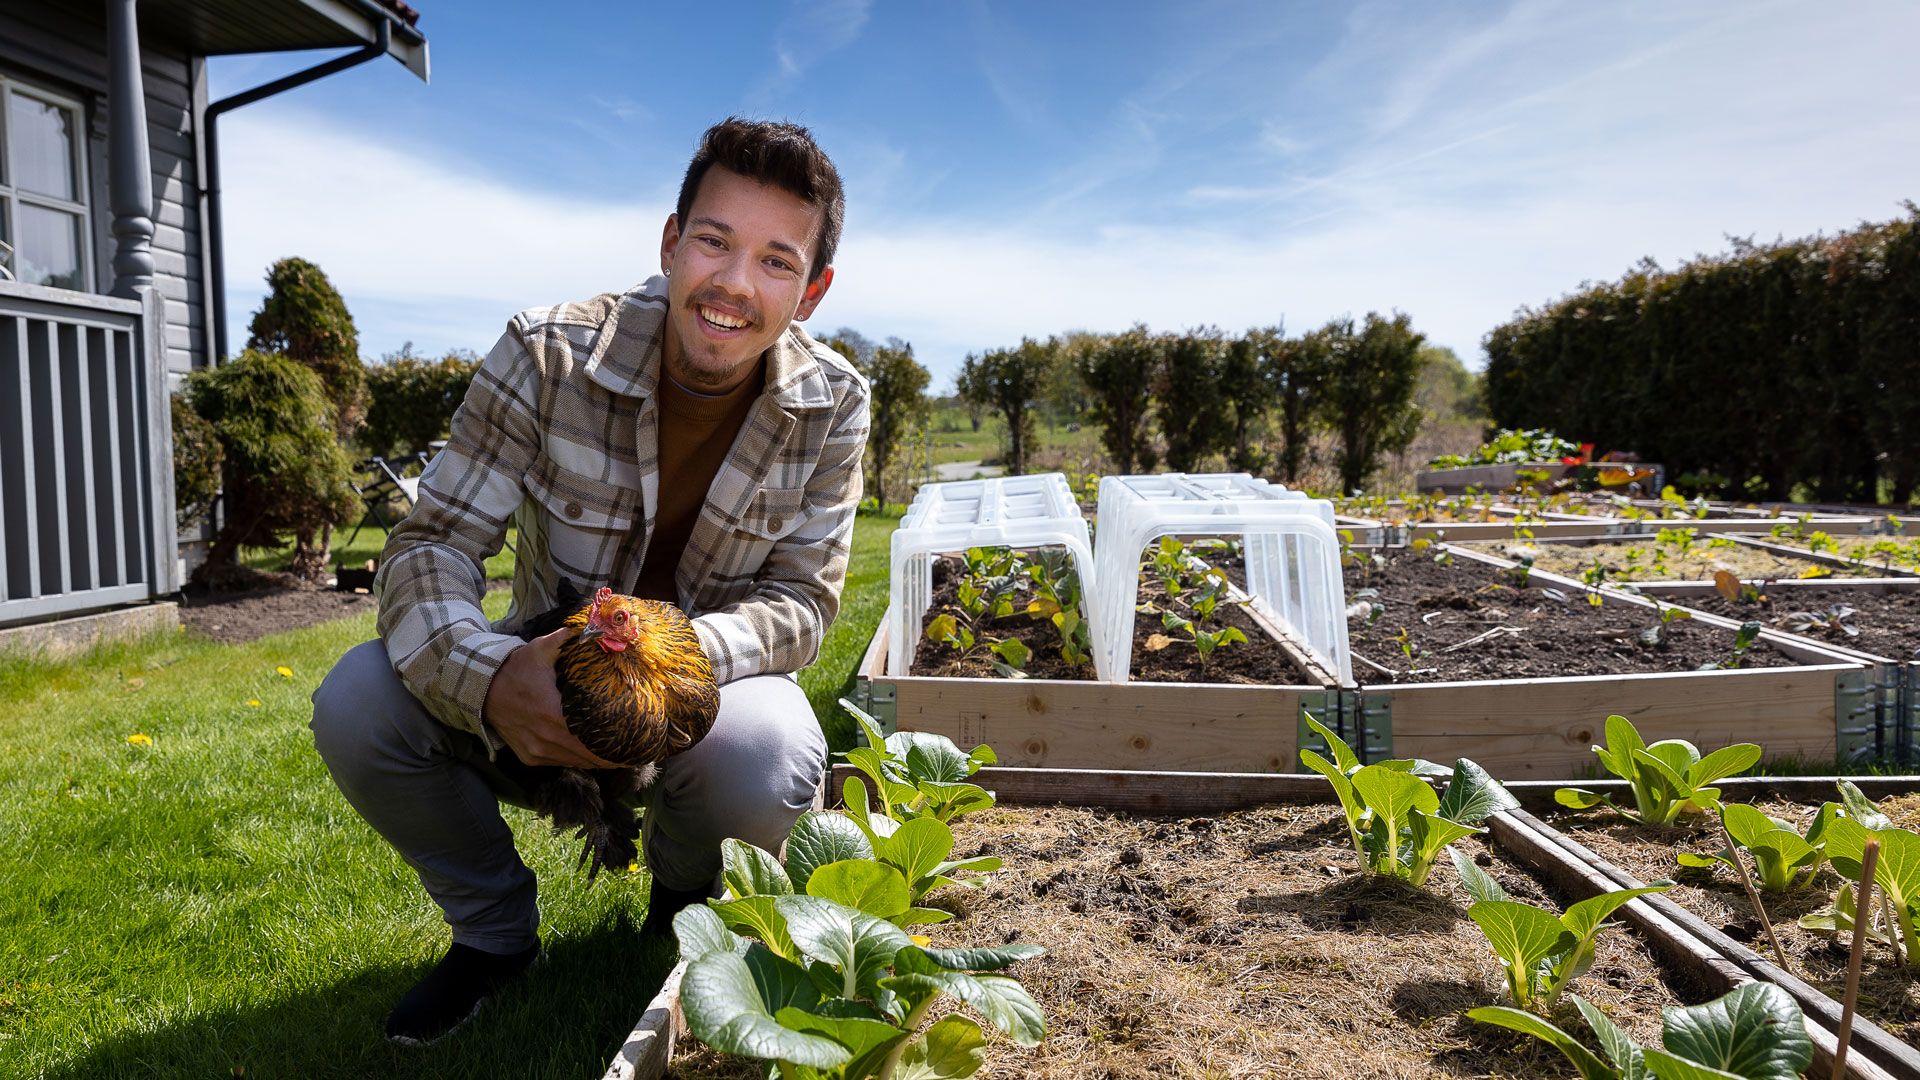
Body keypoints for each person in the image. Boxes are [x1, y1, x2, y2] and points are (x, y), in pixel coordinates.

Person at [308, 117, 869, 1045]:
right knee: (357, 701)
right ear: (670, 243)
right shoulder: (547, 353)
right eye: (714, 242)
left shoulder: (834, 406)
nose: (734, 285)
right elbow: (432, 545)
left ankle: (681, 894)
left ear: (812, 291)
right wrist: (490, 674)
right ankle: (494, 936)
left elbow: (803, 603)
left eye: (777, 261)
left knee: (768, 752)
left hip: (702, 706)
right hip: (539, 692)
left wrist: (664, 669)